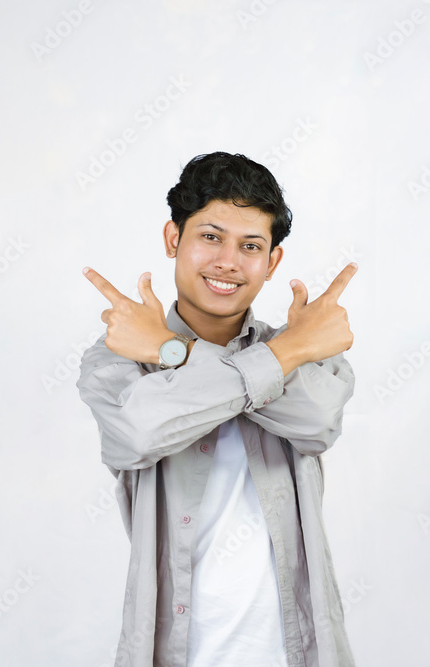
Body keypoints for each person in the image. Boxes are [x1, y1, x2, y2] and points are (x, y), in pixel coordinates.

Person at [77, 151, 358, 667]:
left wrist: (174, 353)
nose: (229, 261)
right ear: (173, 239)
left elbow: (317, 422)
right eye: (210, 236)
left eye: (250, 246)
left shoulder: (305, 353)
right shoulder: (116, 358)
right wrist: (291, 351)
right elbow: (139, 433)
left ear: (272, 262)